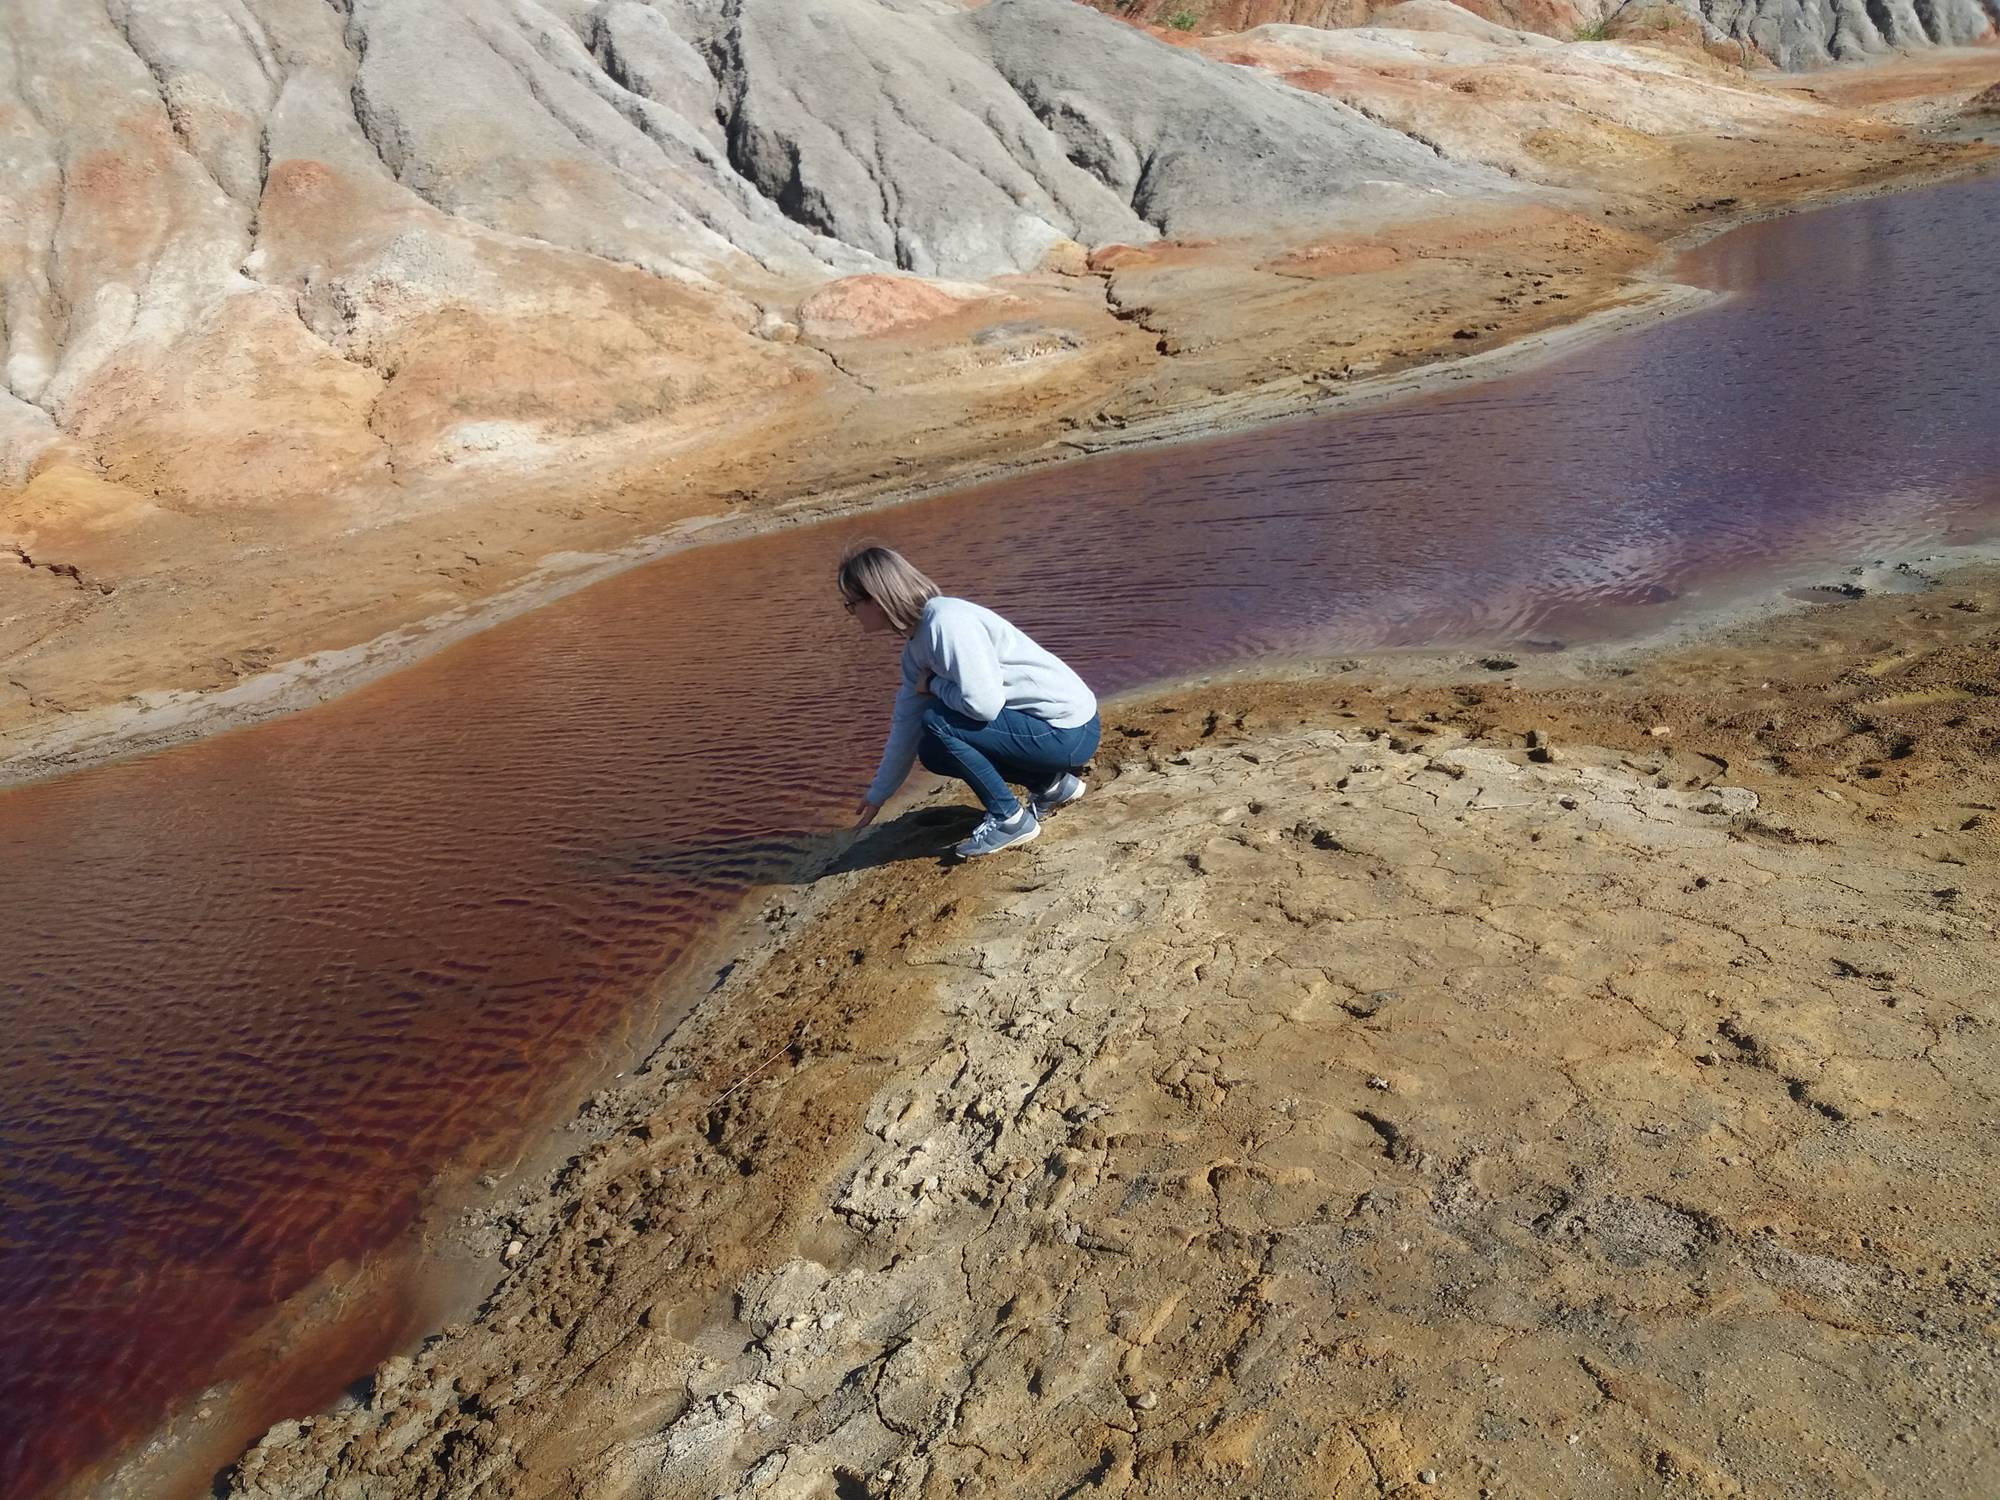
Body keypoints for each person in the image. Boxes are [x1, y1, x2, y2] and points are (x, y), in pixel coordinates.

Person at [841, 545, 1101, 858]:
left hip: (1069, 731)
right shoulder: (915, 649)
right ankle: (1053, 785)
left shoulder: (947, 623)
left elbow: (985, 705)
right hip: (1050, 732)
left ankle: (1010, 821)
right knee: (931, 749)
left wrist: (935, 685)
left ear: (875, 597)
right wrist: (879, 793)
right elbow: (905, 724)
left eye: (851, 603)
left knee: (937, 721)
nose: (850, 612)